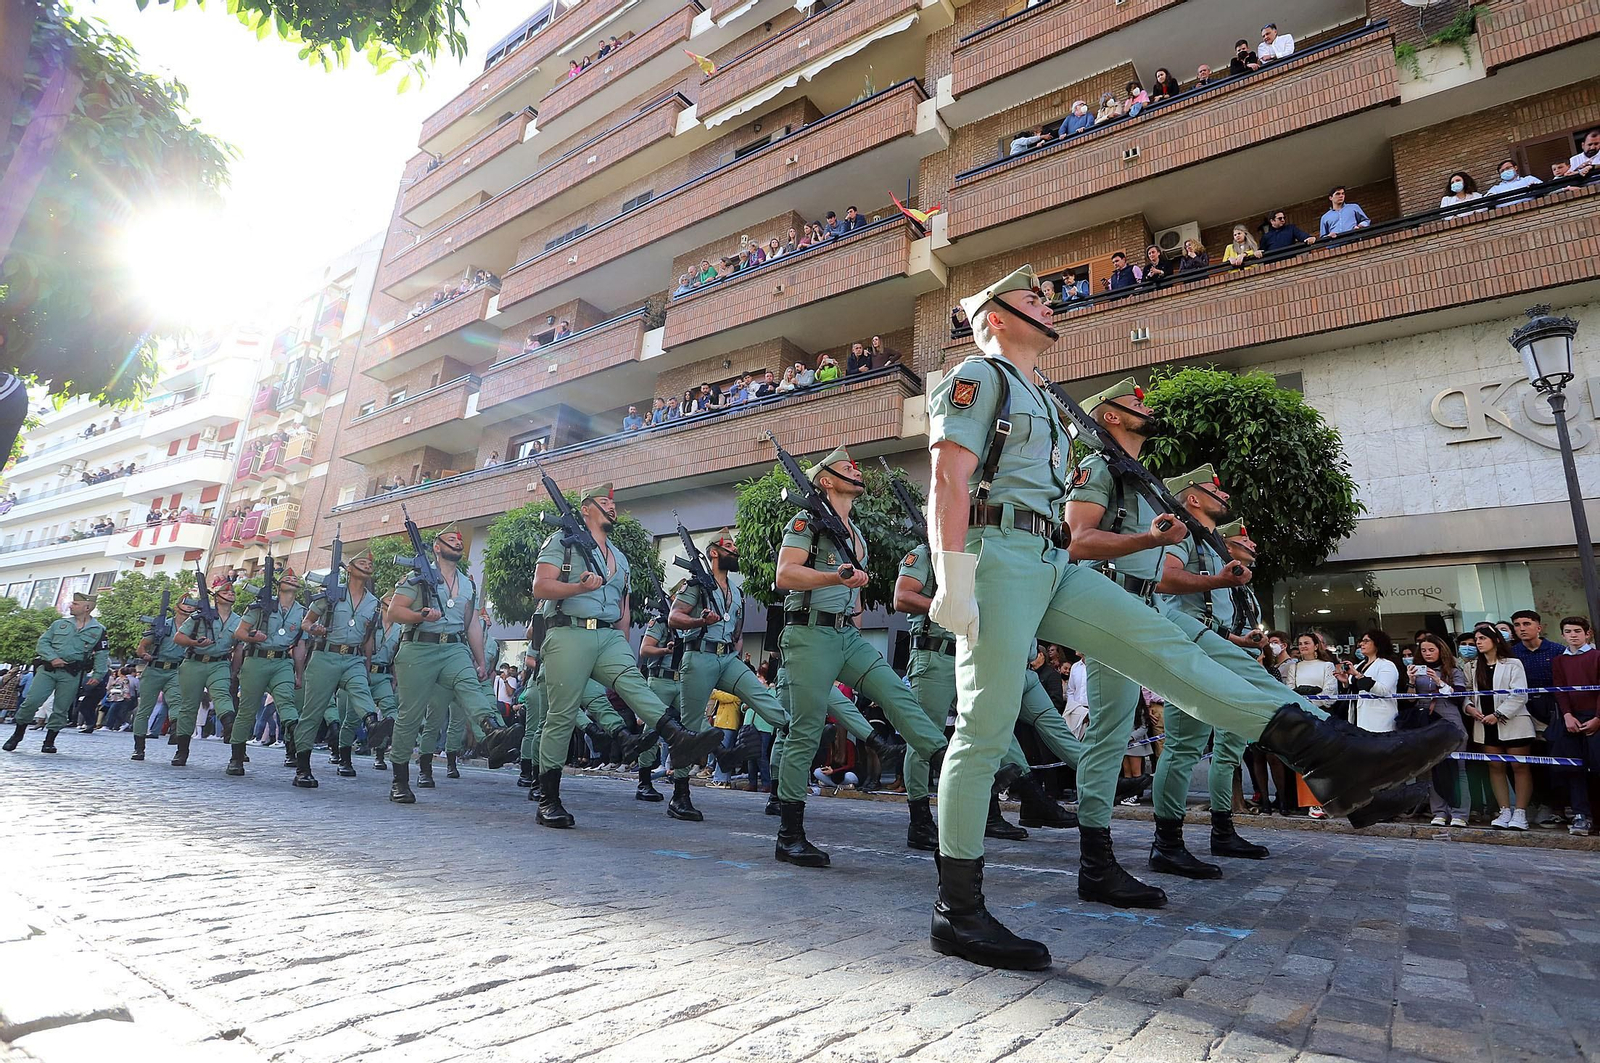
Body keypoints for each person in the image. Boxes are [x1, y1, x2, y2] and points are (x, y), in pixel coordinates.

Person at [923, 266, 1457, 970]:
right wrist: (952, 577)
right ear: (992, 316)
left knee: (1170, 653)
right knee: (986, 726)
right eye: (1030, 298)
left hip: (1050, 561)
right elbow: (947, 479)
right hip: (996, 558)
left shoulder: (1045, 398)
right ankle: (957, 912)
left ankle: (1329, 757)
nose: (1047, 304)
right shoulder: (976, 375)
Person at [771, 447, 952, 863]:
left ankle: (942, 756)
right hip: (808, 635)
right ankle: (789, 834)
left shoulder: (855, 533)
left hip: (844, 635)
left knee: (896, 692)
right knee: (805, 731)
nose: (857, 471)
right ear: (826, 481)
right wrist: (834, 575)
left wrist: (851, 607)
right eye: (847, 468)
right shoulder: (807, 522)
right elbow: (786, 575)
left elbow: (850, 594)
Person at [529, 487, 722, 826]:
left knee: (634, 683)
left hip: (608, 634)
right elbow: (541, 587)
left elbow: (623, 610)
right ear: (586, 510)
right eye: (604, 503)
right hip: (568, 631)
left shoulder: (619, 555)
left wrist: (622, 643)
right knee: (561, 714)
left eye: (613, 504)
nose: (612, 508)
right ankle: (549, 798)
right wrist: (578, 587)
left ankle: (678, 739)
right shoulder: (562, 542)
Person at [1148, 487, 1271, 879]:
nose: (1248, 543)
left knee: (1225, 747)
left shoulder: (1228, 572)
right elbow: (1168, 590)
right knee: (1185, 745)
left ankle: (1222, 829)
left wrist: (1246, 643)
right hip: (1192, 651)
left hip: (1219, 654)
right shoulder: (1185, 540)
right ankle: (1167, 843)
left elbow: (1222, 622)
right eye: (1241, 539)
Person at [667, 534, 788, 819]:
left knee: (759, 695)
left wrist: (738, 653)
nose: (735, 551)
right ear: (714, 553)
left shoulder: (736, 590)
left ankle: (790, 726)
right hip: (699, 656)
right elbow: (674, 617)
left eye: (734, 546)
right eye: (729, 547)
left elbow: (737, 632)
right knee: (688, 727)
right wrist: (700, 621)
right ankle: (679, 795)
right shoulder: (695, 584)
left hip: (728, 658)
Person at [386, 528, 500, 802]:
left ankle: (492, 730)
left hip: (454, 647)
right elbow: (394, 612)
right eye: (451, 541)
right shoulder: (416, 578)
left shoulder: (468, 584)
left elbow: (471, 623)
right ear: (436, 547)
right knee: (410, 716)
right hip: (418, 648)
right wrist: (419, 615)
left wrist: (481, 660)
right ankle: (400, 780)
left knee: (468, 682)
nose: (458, 544)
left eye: (460, 542)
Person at [296, 553, 380, 789]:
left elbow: (368, 639)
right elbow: (306, 622)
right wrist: (315, 629)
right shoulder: (331, 595)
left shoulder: (374, 603)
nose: (367, 566)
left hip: (353, 657)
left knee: (360, 688)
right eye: (362, 562)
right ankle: (302, 767)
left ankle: (373, 724)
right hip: (326, 656)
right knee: (312, 712)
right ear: (349, 568)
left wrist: (366, 665)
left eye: (370, 564)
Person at [2, 593, 110, 754]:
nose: (71, 606)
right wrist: (53, 658)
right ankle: (17, 735)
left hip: (72, 672)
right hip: (48, 669)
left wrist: (98, 675)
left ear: (86, 607)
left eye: (75, 603)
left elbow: (102, 654)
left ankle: (49, 741)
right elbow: (43, 643)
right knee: (32, 701)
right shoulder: (59, 624)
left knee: (61, 708)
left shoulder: (98, 630)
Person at [231, 569, 306, 775]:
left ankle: (294, 732)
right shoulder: (261, 605)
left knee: (287, 700)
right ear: (278, 584)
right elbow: (239, 632)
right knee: (247, 710)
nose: (292, 579)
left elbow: (299, 646)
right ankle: (236, 757)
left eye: (295, 578)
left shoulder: (302, 612)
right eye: (287, 578)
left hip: (282, 661)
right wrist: (253, 637)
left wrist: (299, 674)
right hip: (257, 659)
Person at [1464, 623, 1534, 830]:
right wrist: (1469, 708)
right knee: (1495, 766)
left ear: (1495, 640)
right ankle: (1504, 810)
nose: (1478, 642)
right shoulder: (1472, 666)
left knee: (1519, 766)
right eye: (1476, 639)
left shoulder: (1513, 664)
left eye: (1482, 638)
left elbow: (1520, 693)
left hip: (1512, 722)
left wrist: (1499, 714)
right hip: (1483, 723)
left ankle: (1520, 812)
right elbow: (1466, 691)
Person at [172, 579, 245, 767]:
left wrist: (235, 670)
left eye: (232, 592)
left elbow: (238, 648)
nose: (230, 594)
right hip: (194, 663)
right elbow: (178, 637)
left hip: (219, 663)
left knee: (222, 694)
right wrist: (195, 643)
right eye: (226, 592)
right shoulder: (199, 616)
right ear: (216, 597)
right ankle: (182, 751)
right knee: (188, 707)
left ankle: (229, 727)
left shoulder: (239, 621)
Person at [1411, 632, 1469, 828]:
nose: (1427, 654)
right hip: (1427, 723)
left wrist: (1439, 682)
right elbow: (1409, 700)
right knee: (1434, 769)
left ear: (1440, 650)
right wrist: (1411, 681)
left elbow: (1459, 697)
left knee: (1457, 770)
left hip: (1450, 721)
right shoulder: (1417, 671)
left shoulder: (1453, 671)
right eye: (1424, 650)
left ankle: (1460, 812)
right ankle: (1439, 811)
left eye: (1431, 650)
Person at [125, 600, 195, 760]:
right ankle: (139, 747)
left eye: (192, 606)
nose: (189, 608)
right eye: (186, 604)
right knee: (145, 709)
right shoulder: (163, 625)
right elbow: (142, 646)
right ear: (177, 607)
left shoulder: (195, 627)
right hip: (155, 668)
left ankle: (176, 730)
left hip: (176, 669)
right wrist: (144, 655)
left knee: (177, 702)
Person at [1551, 616, 1598, 836]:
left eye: (1577, 631)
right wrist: (1568, 715)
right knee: (1573, 769)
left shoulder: (1597, 657)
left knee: (1597, 768)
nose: (1573, 635)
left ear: (1587, 633)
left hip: (1595, 718)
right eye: (1568, 631)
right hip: (1571, 719)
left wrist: (1598, 718)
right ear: (1562, 635)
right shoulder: (1559, 661)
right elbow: (1560, 690)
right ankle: (1581, 815)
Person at [1340, 630, 1401, 732]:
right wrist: (1345, 682)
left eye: (1366, 641)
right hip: (1358, 716)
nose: (1361, 644)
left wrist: (1358, 675)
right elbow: (1356, 688)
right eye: (1361, 641)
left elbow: (1383, 690)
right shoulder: (1360, 665)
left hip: (1379, 718)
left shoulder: (1387, 665)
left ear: (1378, 643)